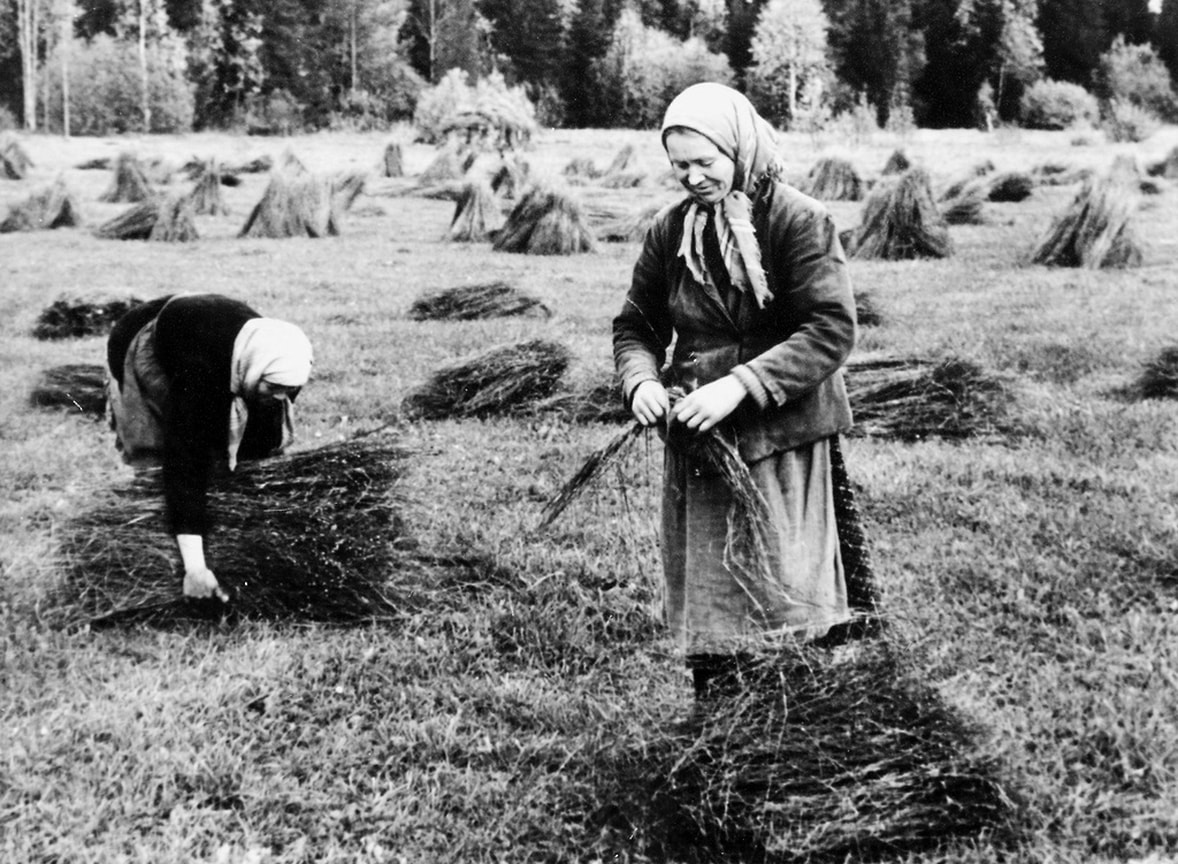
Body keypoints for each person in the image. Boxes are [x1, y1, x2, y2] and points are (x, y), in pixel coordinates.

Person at [612, 82, 860, 700]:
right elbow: (637, 325)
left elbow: (830, 329)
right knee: (712, 590)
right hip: (700, 436)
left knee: (784, 590)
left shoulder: (799, 221)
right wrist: (640, 379)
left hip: (780, 437)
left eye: (706, 163)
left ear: (740, 148)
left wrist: (743, 385)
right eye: (680, 166)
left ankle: (792, 718)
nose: (694, 178)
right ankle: (718, 713)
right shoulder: (670, 232)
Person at [106, 293, 314, 602]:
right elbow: (184, 462)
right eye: (275, 388)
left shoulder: (272, 351)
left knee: (257, 430)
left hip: (208, 327)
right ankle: (175, 543)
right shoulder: (198, 372)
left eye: (290, 390)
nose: (283, 397)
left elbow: (264, 435)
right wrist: (196, 569)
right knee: (164, 453)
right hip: (145, 339)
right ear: (253, 371)